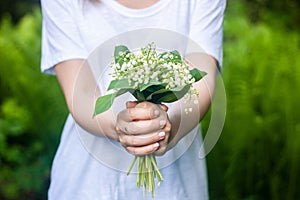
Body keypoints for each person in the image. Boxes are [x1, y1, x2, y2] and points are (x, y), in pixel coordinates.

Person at [41, 0, 226, 199]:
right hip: (88, 185)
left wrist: (169, 127)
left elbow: (198, 80)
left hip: (176, 184)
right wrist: (121, 128)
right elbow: (81, 93)